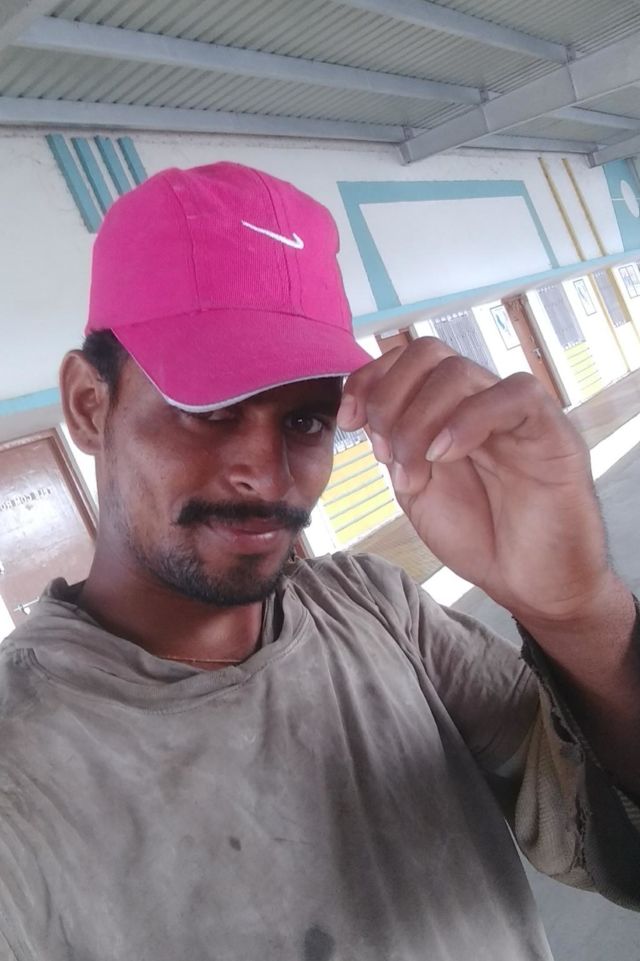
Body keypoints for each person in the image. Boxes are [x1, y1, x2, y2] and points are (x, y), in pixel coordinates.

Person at [0, 161, 638, 961]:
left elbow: (612, 847)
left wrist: (577, 611)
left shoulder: (377, 609)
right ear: (90, 405)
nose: (266, 475)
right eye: (211, 408)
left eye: (304, 419)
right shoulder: (20, 772)